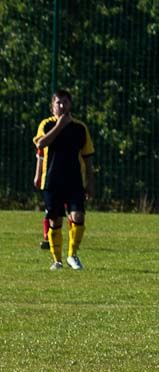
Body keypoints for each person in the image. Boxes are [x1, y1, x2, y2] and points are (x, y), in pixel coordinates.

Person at [33, 89, 95, 270]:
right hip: (52, 181)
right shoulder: (46, 124)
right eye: (58, 103)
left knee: (78, 216)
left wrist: (90, 182)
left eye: (65, 102)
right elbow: (40, 144)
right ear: (52, 107)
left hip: (74, 181)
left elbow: (88, 156)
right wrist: (60, 125)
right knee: (55, 220)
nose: (62, 106)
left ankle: (72, 255)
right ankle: (57, 260)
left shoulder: (80, 128)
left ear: (70, 104)